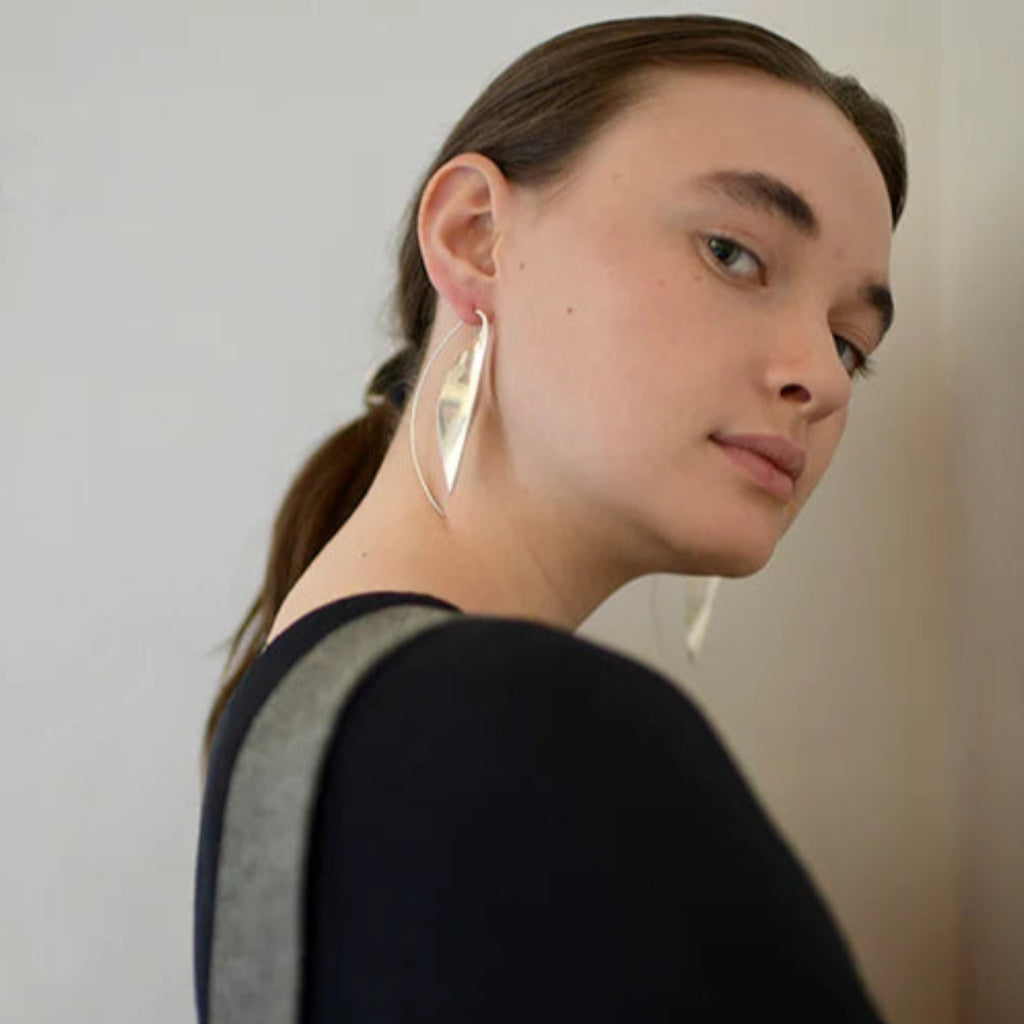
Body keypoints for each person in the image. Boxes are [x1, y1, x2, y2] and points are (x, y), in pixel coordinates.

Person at [194, 13, 905, 1023]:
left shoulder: (309, 711)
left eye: (848, 341)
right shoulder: (516, 721)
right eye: (733, 253)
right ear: (474, 236)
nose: (817, 379)